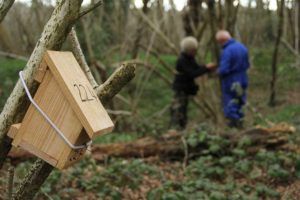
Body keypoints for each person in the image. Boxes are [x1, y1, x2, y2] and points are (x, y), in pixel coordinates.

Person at [170, 36, 216, 130]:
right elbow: (192, 74)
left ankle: (181, 128)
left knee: (183, 111)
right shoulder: (182, 60)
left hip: (186, 89)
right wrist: (206, 68)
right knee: (179, 111)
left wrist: (207, 68)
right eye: (193, 50)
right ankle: (176, 130)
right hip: (181, 89)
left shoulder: (190, 58)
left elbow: (197, 68)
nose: (195, 52)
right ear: (188, 50)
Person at [215, 30, 250, 128]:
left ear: (221, 41)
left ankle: (234, 126)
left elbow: (224, 69)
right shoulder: (243, 47)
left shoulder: (227, 51)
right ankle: (241, 123)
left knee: (230, 103)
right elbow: (247, 64)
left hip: (231, 80)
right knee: (241, 101)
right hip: (243, 78)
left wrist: (217, 71)